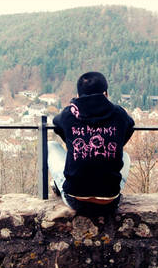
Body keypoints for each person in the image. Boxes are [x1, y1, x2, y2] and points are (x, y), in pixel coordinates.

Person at [49, 72, 135, 216]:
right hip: (110, 202)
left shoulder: (69, 114)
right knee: (124, 156)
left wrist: (73, 146)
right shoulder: (118, 114)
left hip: (76, 200)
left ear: (78, 94)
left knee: (52, 146)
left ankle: (58, 185)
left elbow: (56, 125)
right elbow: (129, 127)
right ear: (106, 93)